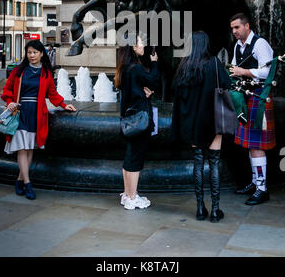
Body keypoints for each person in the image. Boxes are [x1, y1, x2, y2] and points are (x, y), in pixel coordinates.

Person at [1, 40, 76, 200]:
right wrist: (10, 103)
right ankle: (28, 183)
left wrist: (63, 104)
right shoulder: (19, 71)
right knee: (22, 148)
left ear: (42, 53)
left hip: (37, 113)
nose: (32, 55)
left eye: (35, 52)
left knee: (29, 149)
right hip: (19, 112)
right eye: (29, 52)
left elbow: (52, 94)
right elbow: (6, 90)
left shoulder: (46, 73)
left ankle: (19, 180)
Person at [172, 31, 231, 223]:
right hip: (212, 121)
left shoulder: (183, 67)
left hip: (192, 124)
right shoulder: (214, 63)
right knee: (214, 163)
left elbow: (178, 98)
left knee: (198, 164)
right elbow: (226, 84)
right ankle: (215, 210)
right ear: (206, 45)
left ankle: (199, 208)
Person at [229, 13, 275, 205]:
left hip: (259, 97)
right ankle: (255, 183)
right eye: (232, 29)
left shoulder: (260, 43)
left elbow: (268, 70)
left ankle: (262, 189)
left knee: (256, 144)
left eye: (237, 28)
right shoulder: (238, 46)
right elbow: (233, 66)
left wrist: (243, 72)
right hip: (245, 98)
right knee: (251, 144)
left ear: (247, 26)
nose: (234, 32)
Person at [114, 33, 160, 210]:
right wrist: (154, 62)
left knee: (129, 158)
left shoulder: (126, 68)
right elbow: (154, 80)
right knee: (136, 159)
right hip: (140, 119)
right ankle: (132, 198)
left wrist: (145, 93)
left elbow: (134, 91)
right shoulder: (136, 68)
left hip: (129, 118)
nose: (143, 46)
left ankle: (127, 194)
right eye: (141, 43)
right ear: (133, 47)